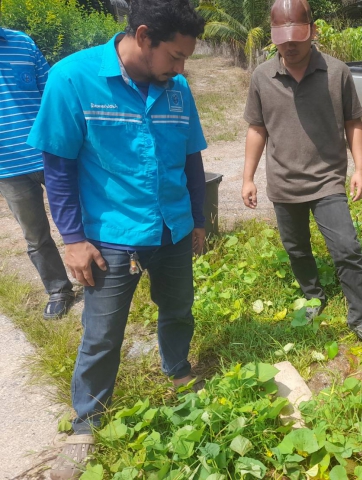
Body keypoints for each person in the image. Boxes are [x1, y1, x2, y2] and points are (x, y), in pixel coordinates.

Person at [27, 0, 207, 477]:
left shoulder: (177, 88)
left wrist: (199, 220)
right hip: (111, 236)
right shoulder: (72, 78)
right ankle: (87, 421)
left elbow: (191, 158)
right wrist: (72, 239)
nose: (181, 68)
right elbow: (58, 166)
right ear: (143, 36)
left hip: (172, 227)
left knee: (178, 309)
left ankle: (178, 371)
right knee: (102, 333)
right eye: (175, 55)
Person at [242, 0, 362, 350]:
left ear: (313, 32)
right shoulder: (262, 77)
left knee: (347, 247)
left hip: (327, 180)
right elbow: (257, 129)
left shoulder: (336, 72)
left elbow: (353, 122)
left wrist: (360, 168)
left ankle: (361, 317)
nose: (290, 45)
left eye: (297, 37)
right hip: (284, 183)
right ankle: (313, 296)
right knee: (296, 249)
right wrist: (247, 178)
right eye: (282, 39)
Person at [0, 27, 75, 319]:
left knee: (82, 216)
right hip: (8, 167)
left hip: (50, 153)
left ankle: (103, 277)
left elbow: (50, 93)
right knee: (35, 235)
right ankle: (59, 290)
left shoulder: (23, 43)